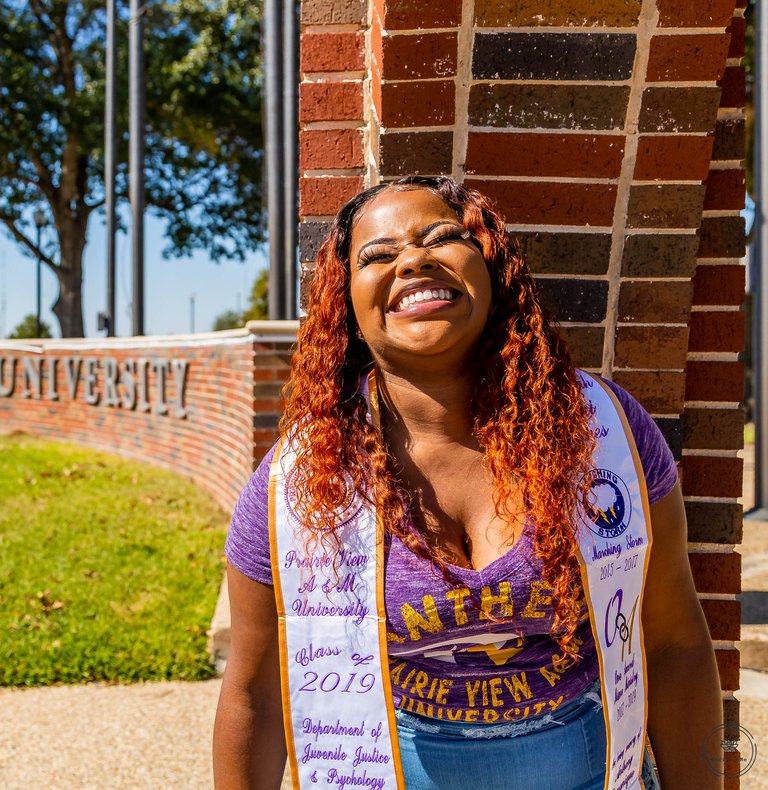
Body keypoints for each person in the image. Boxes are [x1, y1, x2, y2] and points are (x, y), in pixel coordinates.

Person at [212, 176, 722, 789]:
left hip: (592, 761)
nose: (413, 259)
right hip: (391, 767)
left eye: (443, 238)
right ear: (345, 302)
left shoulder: (604, 433)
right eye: (377, 255)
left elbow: (673, 643)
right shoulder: (299, 483)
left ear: (491, 269)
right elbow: (255, 693)